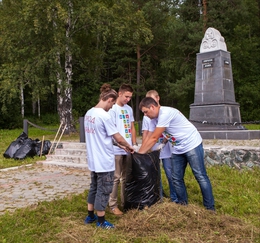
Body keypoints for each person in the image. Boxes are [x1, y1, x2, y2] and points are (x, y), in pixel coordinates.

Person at [138, 97, 215, 211]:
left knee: (200, 176)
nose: (145, 115)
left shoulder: (165, 113)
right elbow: (150, 137)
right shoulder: (154, 119)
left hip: (191, 144)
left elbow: (154, 138)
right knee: (176, 178)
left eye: (146, 112)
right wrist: (140, 151)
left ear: (152, 107)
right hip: (177, 148)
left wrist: (139, 155)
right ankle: (183, 206)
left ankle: (210, 208)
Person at [84, 83, 134, 229]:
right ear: (110, 100)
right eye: (111, 105)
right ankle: (101, 221)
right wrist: (128, 145)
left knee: (94, 187)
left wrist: (119, 145)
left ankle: (90, 215)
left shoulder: (89, 113)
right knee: (104, 189)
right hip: (104, 160)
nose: (111, 108)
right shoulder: (104, 116)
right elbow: (117, 136)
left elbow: (102, 136)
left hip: (93, 160)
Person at [142, 90, 178, 202]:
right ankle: (159, 197)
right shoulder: (147, 116)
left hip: (167, 149)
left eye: (153, 100)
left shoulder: (166, 112)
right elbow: (146, 133)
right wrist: (144, 149)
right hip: (154, 150)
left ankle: (174, 197)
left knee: (170, 174)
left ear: (158, 98)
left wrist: (164, 143)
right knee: (156, 175)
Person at [108, 83, 138, 215]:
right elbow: (112, 130)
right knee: (116, 177)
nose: (128, 99)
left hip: (129, 149)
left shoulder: (129, 109)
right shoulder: (112, 109)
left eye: (130, 97)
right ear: (120, 94)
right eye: (126, 96)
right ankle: (112, 205)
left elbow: (132, 127)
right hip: (117, 149)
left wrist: (134, 143)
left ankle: (125, 202)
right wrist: (120, 144)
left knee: (126, 177)